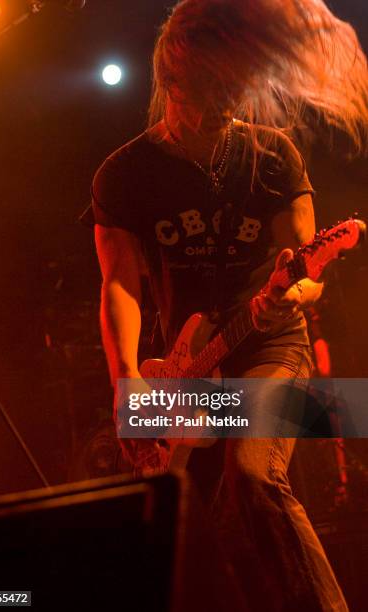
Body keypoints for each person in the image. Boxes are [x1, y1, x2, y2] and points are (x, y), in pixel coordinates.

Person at [86, 1, 368, 609]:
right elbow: (120, 283)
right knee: (186, 524)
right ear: (171, 82)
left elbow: (306, 270)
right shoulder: (124, 173)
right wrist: (127, 380)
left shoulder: (273, 155)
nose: (228, 105)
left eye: (233, 88)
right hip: (189, 371)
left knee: (253, 476)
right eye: (212, 91)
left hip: (270, 345)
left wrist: (290, 289)